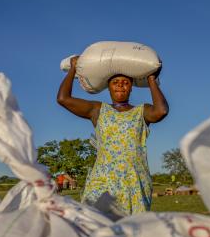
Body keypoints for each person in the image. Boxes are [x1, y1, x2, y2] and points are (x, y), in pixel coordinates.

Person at [57, 56, 168, 214]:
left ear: (131, 88)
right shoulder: (97, 109)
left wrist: (150, 79)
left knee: (130, 231)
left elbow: (161, 111)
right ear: (108, 87)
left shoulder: (142, 111)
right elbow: (63, 99)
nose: (121, 86)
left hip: (134, 182)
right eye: (115, 82)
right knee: (95, 223)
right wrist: (73, 68)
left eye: (126, 83)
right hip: (102, 181)